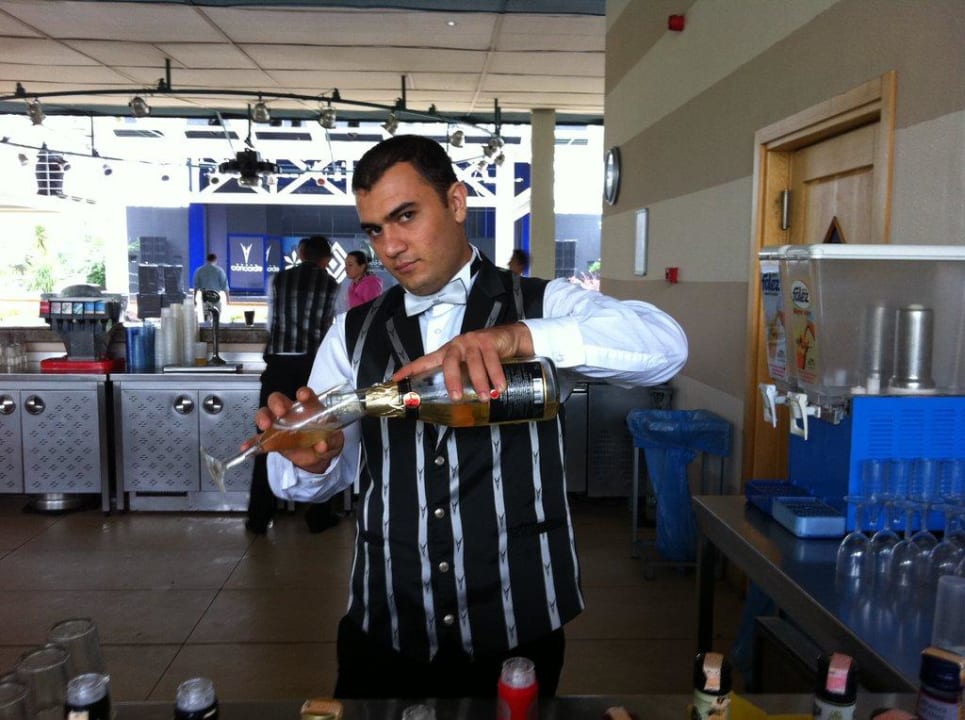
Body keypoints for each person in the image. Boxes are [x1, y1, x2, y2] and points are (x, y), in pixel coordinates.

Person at [253, 135, 688, 699]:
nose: (390, 246)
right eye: (375, 230)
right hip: (385, 625)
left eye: (406, 216)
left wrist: (520, 337)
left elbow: (665, 345)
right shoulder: (351, 333)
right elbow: (311, 479)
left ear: (456, 202)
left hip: (517, 631)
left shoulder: (543, 303)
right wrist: (311, 463)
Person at [246, 235, 340, 535]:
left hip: (278, 367)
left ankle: (259, 517)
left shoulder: (277, 281)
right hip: (313, 368)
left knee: (268, 436)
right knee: (319, 436)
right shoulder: (332, 285)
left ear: (300, 254)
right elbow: (334, 327)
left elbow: (270, 322)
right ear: (327, 259)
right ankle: (319, 516)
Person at [333, 250, 384, 315]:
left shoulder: (371, 284)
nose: (346, 269)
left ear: (362, 267)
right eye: (346, 265)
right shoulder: (353, 285)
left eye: (350, 265)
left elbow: (371, 312)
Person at [192, 253, 230, 322]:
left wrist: (194, 299)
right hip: (216, 296)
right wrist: (228, 299)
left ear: (206, 260)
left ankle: (207, 325)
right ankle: (215, 326)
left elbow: (196, 286)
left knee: (206, 318)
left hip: (205, 296)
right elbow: (225, 286)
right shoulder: (219, 270)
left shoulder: (199, 270)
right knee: (216, 317)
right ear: (215, 260)